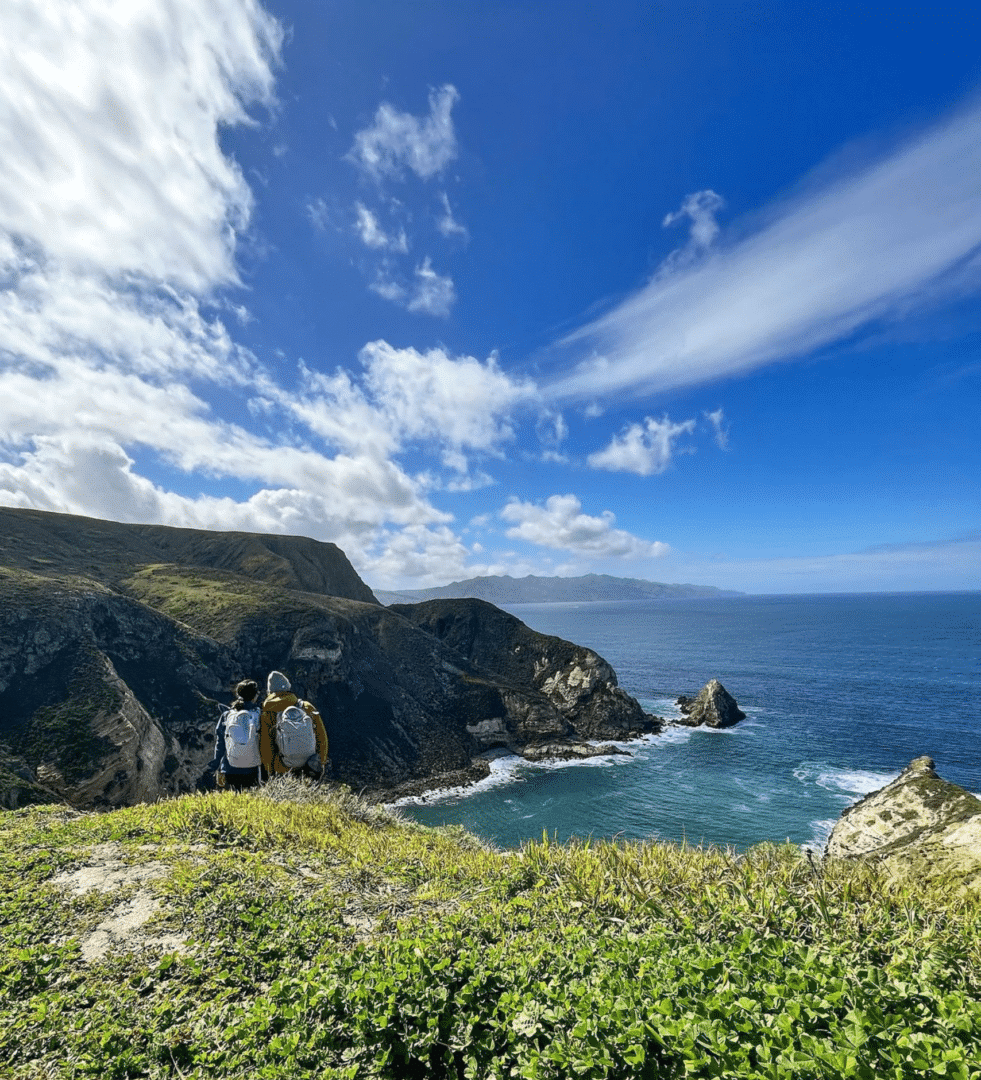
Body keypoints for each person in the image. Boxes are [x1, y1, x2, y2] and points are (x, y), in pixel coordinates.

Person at [259, 670, 328, 780]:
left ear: (270, 692)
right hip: (310, 766)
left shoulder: (268, 714)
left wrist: (269, 770)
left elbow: (266, 746)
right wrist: (321, 762)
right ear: (288, 688)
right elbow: (321, 735)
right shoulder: (306, 707)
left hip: (283, 767)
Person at [208, 679, 262, 791]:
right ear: (254, 696)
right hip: (252, 767)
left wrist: (216, 764)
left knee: (233, 800)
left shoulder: (227, 715)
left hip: (230, 767)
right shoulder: (259, 714)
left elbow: (220, 743)